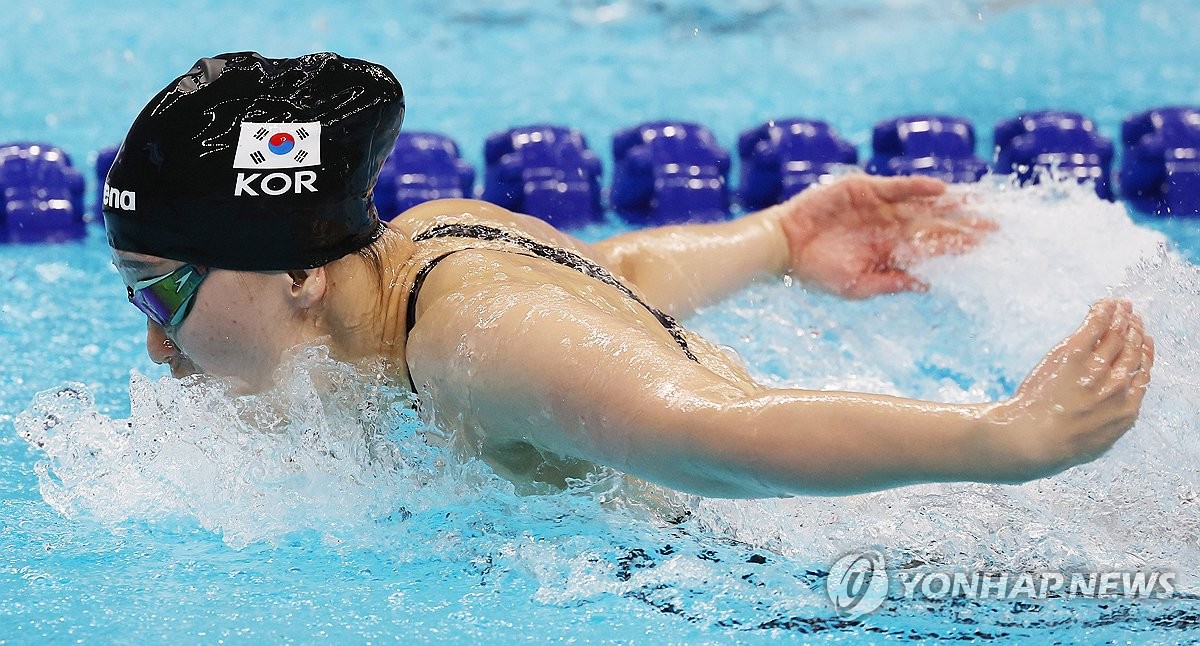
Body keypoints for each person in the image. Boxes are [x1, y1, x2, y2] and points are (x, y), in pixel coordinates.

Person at [103, 52, 1153, 498]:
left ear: (296, 269)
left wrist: (1002, 439)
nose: (156, 340)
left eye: (167, 292)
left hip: (834, 550)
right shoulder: (423, 249)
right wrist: (778, 240)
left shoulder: (471, 346)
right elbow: (608, 273)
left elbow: (715, 436)